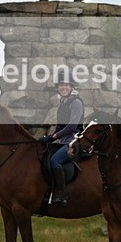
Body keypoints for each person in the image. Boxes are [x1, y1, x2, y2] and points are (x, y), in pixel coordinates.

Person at [39, 72, 84, 205]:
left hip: (74, 141)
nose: (63, 88)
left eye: (66, 85)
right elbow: (60, 127)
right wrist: (48, 138)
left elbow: (71, 127)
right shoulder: (63, 104)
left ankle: (62, 194)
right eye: (61, 85)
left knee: (55, 161)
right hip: (63, 141)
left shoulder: (76, 102)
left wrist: (53, 137)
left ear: (71, 87)